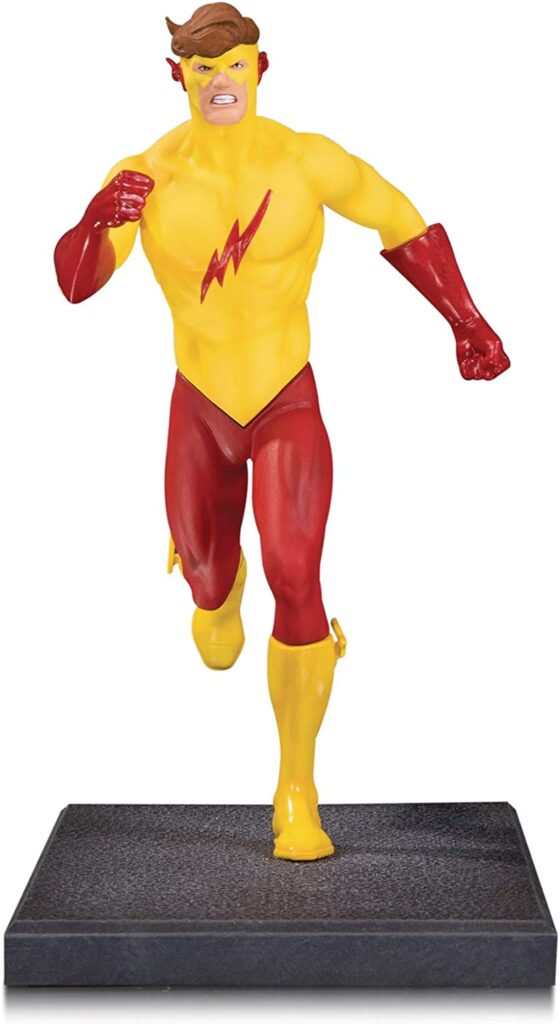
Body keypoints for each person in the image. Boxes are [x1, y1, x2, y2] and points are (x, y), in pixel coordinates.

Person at [54, 2, 510, 861]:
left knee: (297, 574)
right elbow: (78, 285)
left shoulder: (307, 160)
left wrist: (467, 321)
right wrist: (93, 217)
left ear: (260, 68)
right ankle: (211, 584)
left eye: (234, 65)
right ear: (178, 77)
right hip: (200, 405)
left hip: (285, 401)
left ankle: (296, 791)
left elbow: (399, 218)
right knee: (214, 627)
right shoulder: (145, 175)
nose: (220, 82)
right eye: (203, 69)